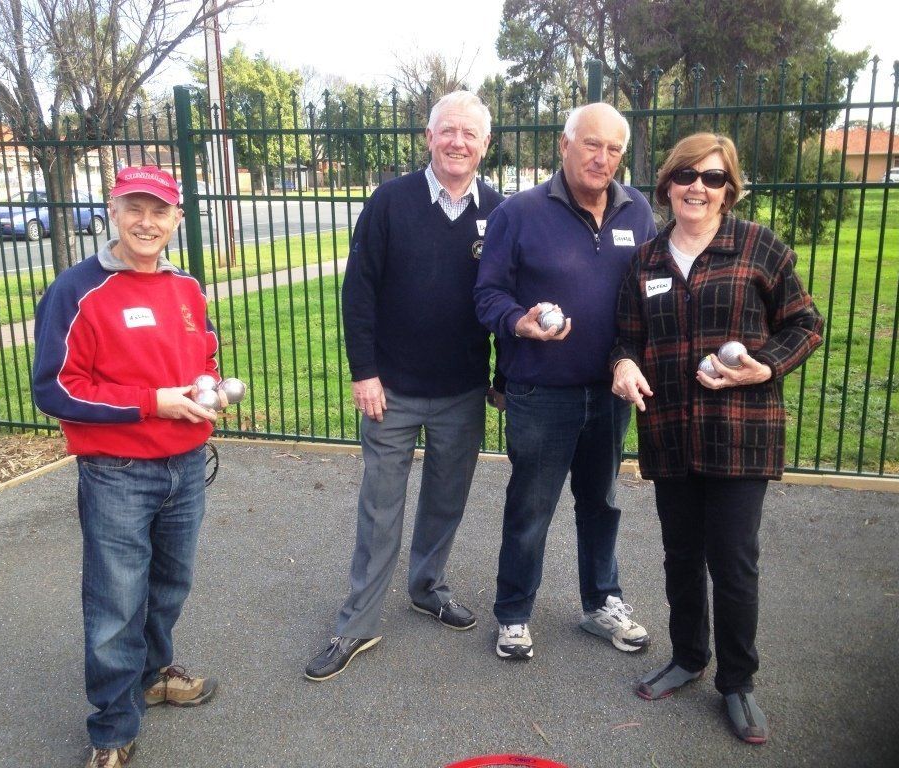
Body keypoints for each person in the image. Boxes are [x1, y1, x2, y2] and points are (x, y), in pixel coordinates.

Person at [610, 132, 823, 744]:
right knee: (680, 555)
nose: (697, 187)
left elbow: (805, 323)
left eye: (712, 178)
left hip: (739, 433)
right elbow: (626, 337)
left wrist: (766, 367)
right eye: (686, 175)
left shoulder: (758, 247)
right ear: (667, 184)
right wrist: (622, 364)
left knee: (732, 560)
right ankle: (687, 656)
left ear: (729, 189)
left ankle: (737, 680)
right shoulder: (646, 260)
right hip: (670, 431)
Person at [304, 91, 505, 681]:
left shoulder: (499, 210)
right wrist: (364, 373)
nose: (458, 142)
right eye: (448, 131)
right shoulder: (390, 201)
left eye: (470, 133)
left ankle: (427, 586)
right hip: (390, 390)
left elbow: (507, 297)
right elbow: (359, 292)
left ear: (485, 144)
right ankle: (357, 622)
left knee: (446, 498)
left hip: (462, 390)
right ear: (429, 137)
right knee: (380, 508)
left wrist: (503, 377)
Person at [32, 166, 223, 768]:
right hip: (116, 472)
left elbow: (205, 352)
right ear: (112, 211)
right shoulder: (77, 290)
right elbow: (55, 388)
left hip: (185, 465)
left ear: (177, 220)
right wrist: (150, 402)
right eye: (134, 208)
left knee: (169, 586)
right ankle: (113, 728)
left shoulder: (186, 287)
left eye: (159, 211)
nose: (146, 222)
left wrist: (208, 388)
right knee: (116, 604)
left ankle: (153, 674)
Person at [474, 102, 657, 661]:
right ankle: (513, 614)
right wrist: (519, 322)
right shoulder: (519, 213)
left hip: (609, 392)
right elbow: (487, 294)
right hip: (540, 392)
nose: (602, 158)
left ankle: (601, 603)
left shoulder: (636, 211)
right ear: (565, 145)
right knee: (531, 508)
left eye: (614, 149)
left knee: (601, 503)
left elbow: (649, 292)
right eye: (591, 144)